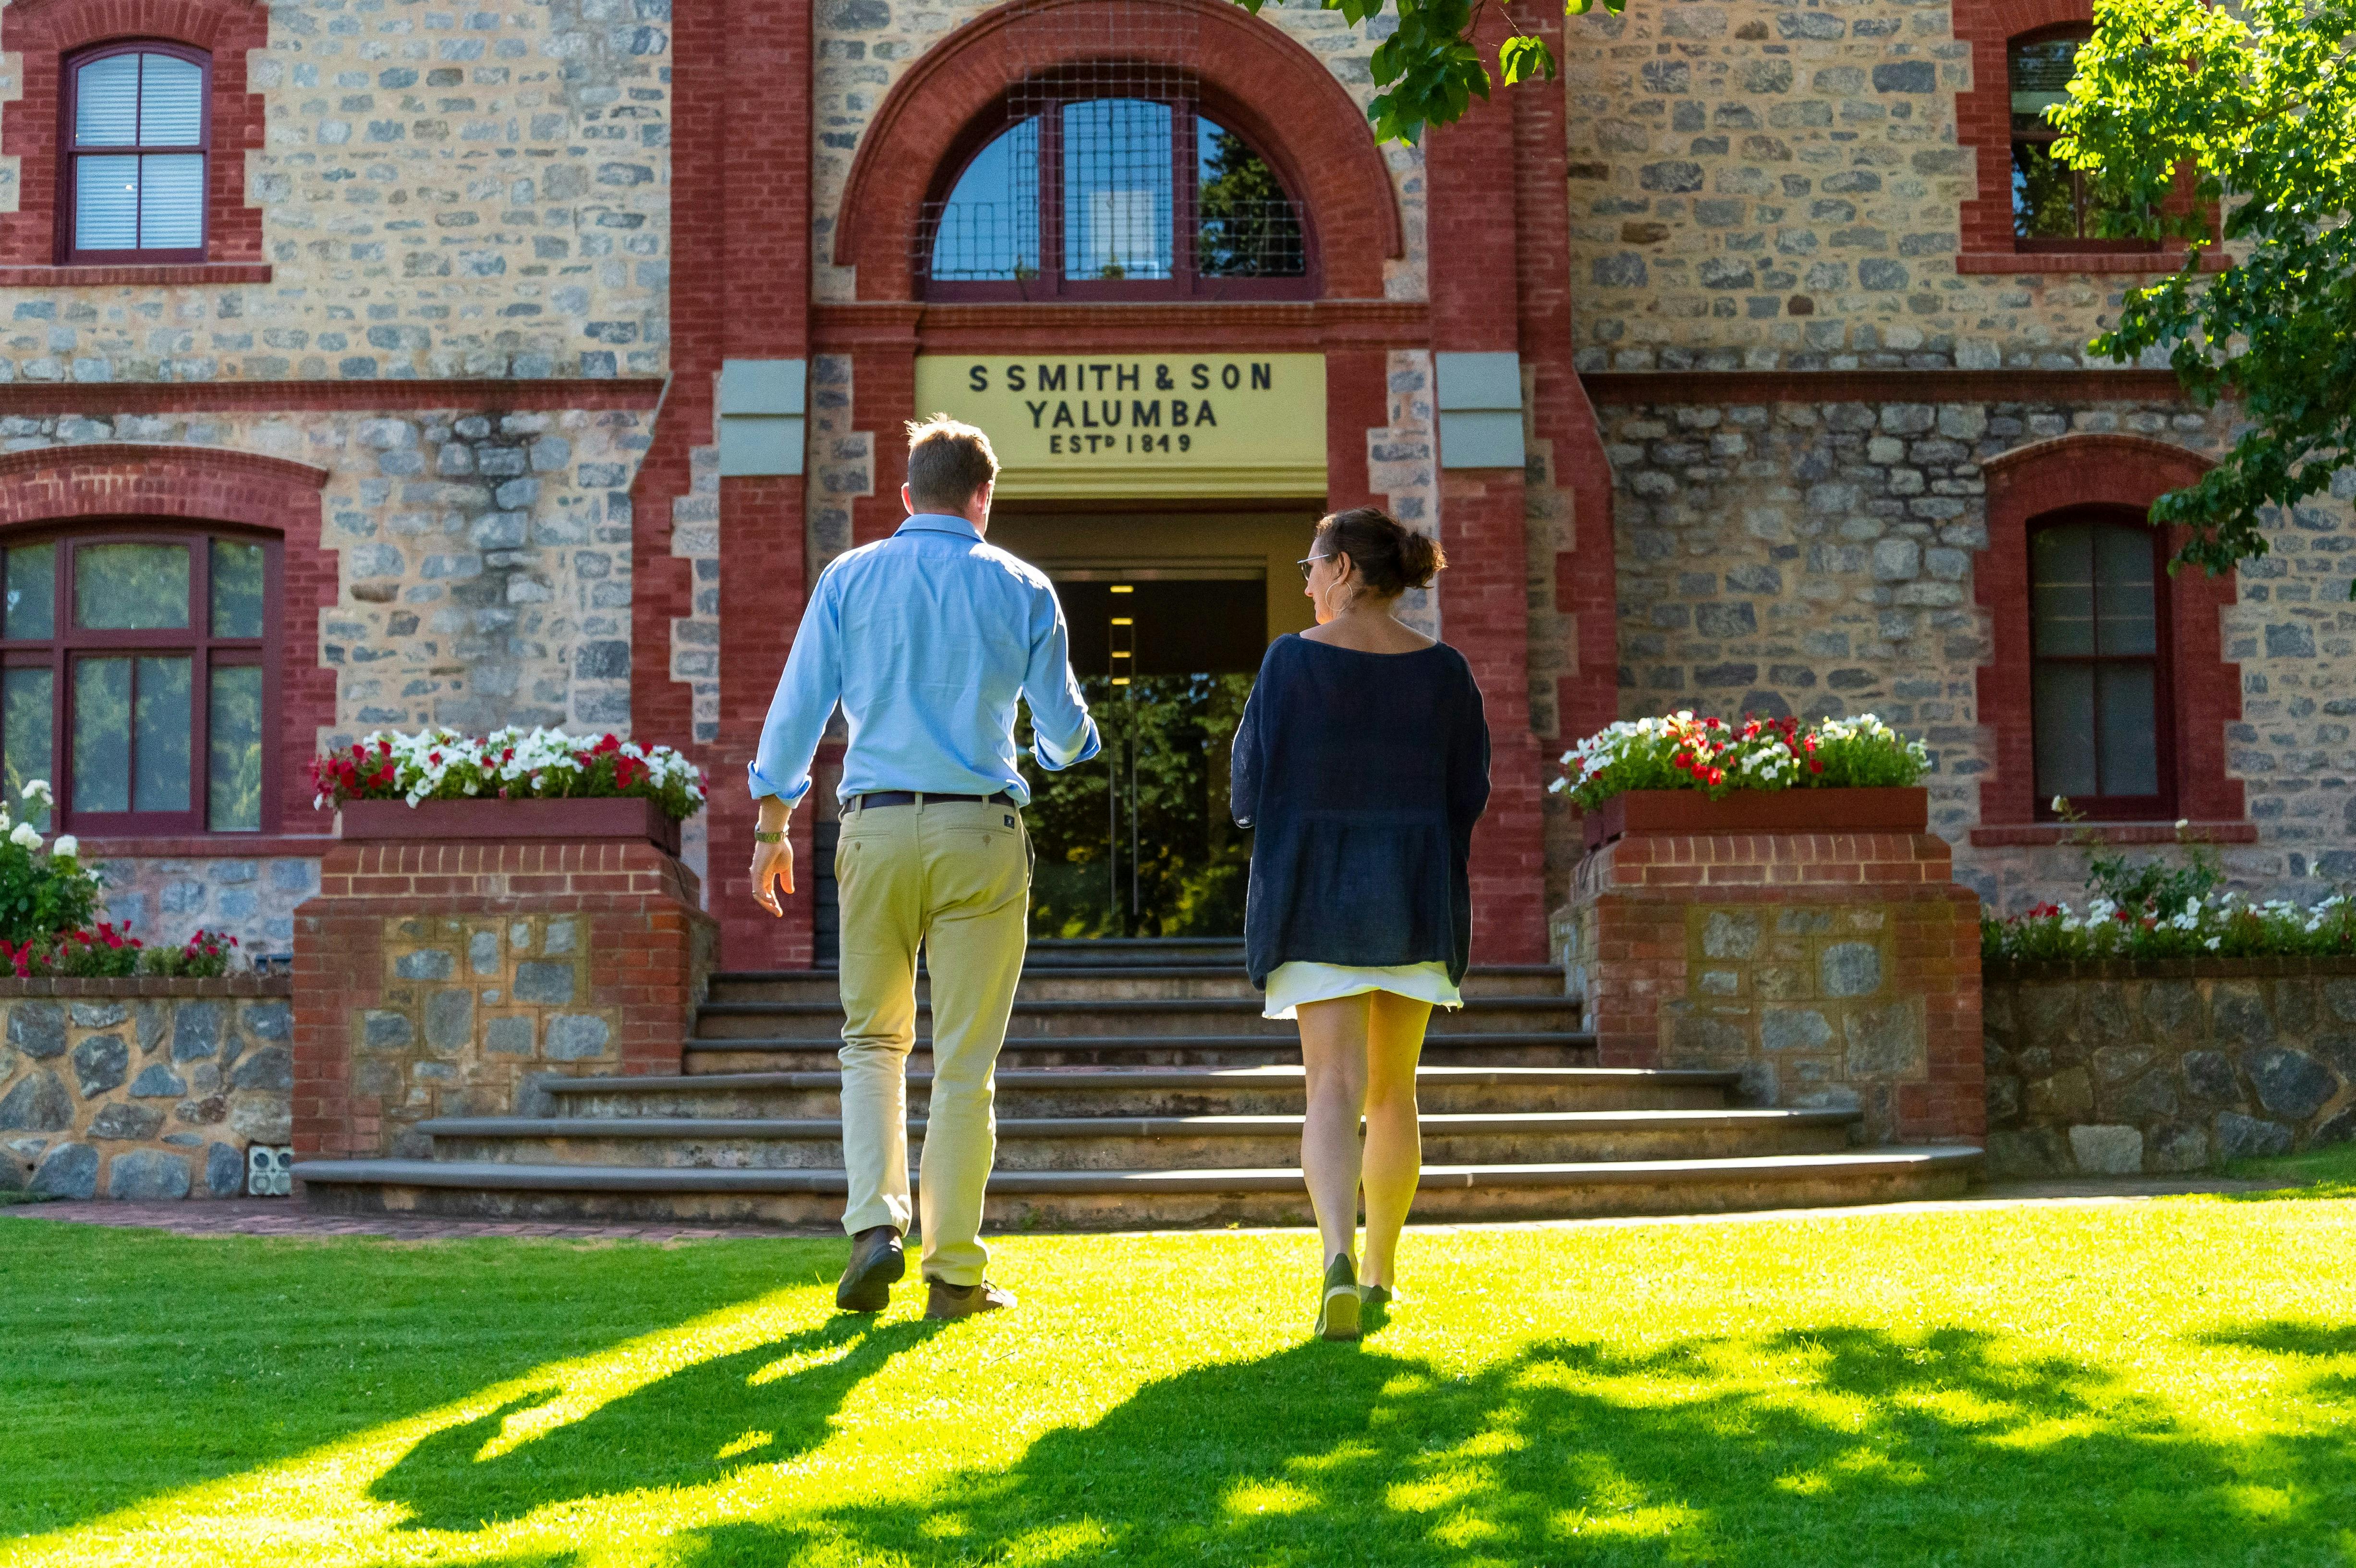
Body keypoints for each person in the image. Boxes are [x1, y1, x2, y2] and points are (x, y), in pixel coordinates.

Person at [748, 414, 1099, 1321]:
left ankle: (874, 1226)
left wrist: (772, 823)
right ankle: (954, 1275)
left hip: (873, 826)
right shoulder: (1023, 586)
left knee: (872, 1041)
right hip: (980, 830)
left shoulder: (848, 577)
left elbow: (797, 707)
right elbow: (1064, 733)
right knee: (965, 1062)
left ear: (907, 495)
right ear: (985, 498)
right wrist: (1061, 749)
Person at [1230, 507, 1491, 1342]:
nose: (1307, 579)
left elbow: (1247, 786)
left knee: (1332, 1088)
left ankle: (1335, 1258)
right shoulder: (1445, 670)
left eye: (1311, 564)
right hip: (1412, 890)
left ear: (1342, 568)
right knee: (1392, 1090)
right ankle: (1382, 1271)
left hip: (1313, 887)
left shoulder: (1288, 661)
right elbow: (1469, 792)